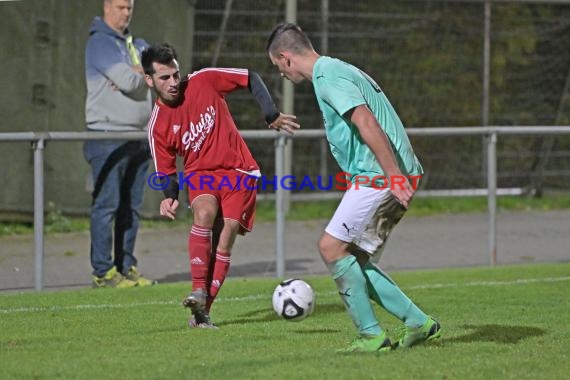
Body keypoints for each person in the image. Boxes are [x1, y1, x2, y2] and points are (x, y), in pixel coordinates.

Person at [266, 23, 441, 352]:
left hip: (378, 176)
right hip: (385, 174)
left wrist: (393, 175)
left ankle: (370, 336)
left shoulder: (327, 76)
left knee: (331, 248)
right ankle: (419, 323)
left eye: (278, 67)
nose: (282, 75)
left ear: (285, 58)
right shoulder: (335, 69)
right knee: (354, 260)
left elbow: (365, 121)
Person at [142, 43, 299, 328]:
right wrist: (170, 196)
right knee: (203, 214)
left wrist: (271, 114)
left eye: (176, 75)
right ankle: (198, 290)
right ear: (149, 80)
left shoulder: (204, 80)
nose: (174, 82)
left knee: (224, 238)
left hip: (239, 170)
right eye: (165, 78)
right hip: (201, 174)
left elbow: (250, 76)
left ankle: (202, 312)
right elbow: (165, 170)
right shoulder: (157, 124)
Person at [84, 0, 154, 288]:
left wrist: (141, 74)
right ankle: (103, 272)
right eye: (121, 7)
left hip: (139, 136)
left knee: (131, 207)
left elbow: (166, 72)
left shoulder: (137, 44)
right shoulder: (99, 43)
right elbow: (129, 81)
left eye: (130, 8)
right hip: (107, 136)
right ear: (106, 7)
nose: (126, 13)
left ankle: (126, 266)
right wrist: (140, 74)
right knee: (107, 205)